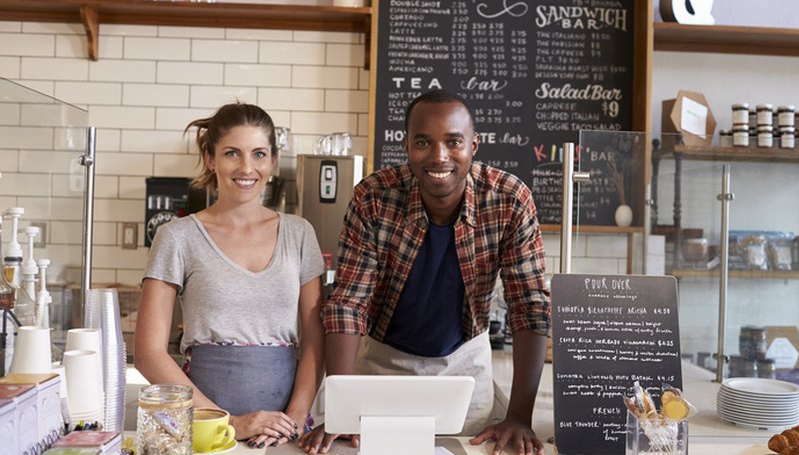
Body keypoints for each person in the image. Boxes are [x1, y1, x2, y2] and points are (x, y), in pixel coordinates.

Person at [300, 90, 550, 455]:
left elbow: (528, 305)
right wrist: (344, 411)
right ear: (406, 145)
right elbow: (347, 305)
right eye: (423, 142)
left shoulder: (509, 199)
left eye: (454, 142)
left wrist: (519, 416)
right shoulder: (374, 196)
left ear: (474, 145)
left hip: (464, 367)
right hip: (380, 365)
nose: (439, 156)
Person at [134, 102, 325, 450]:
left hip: (281, 433)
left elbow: (315, 339)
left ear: (273, 159)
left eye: (259, 154)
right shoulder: (177, 237)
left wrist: (295, 420)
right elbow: (148, 352)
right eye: (232, 153)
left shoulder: (299, 234)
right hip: (204, 429)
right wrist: (231, 422)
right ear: (210, 158)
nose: (247, 168)